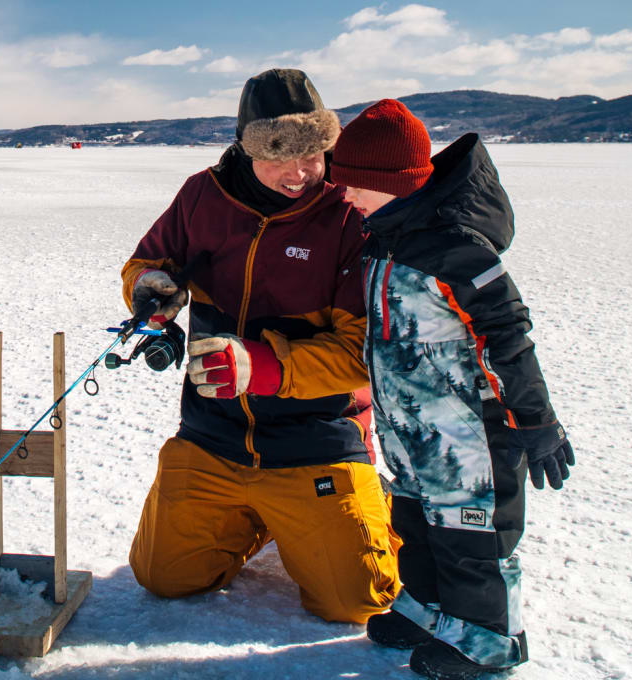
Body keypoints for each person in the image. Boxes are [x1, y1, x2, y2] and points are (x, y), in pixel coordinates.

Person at [120, 68, 399, 624]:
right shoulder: (203, 195)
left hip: (316, 439)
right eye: (279, 155)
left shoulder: (349, 213)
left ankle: (377, 502)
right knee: (164, 577)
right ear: (248, 149)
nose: (299, 173)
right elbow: (145, 263)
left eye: (312, 155)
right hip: (213, 433)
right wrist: (150, 288)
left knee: (358, 600)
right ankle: (264, 516)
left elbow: (361, 352)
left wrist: (262, 367)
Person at [331, 100, 574, 680]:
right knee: (416, 521)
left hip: (470, 437)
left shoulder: (456, 249)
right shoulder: (385, 238)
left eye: (354, 183)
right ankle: (429, 610)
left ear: (392, 182)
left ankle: (488, 641)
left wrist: (535, 422)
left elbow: (507, 338)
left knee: (472, 537)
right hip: (412, 430)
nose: (345, 194)